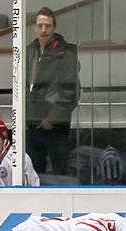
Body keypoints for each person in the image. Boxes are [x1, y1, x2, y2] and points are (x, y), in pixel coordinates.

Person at [26, 7, 80, 175]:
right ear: (34, 27)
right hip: (32, 123)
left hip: (55, 126)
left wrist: (52, 119)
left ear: (54, 28)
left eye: (47, 26)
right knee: (34, 172)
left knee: (60, 172)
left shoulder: (66, 52)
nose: (43, 30)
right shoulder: (28, 51)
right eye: (40, 25)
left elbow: (71, 92)